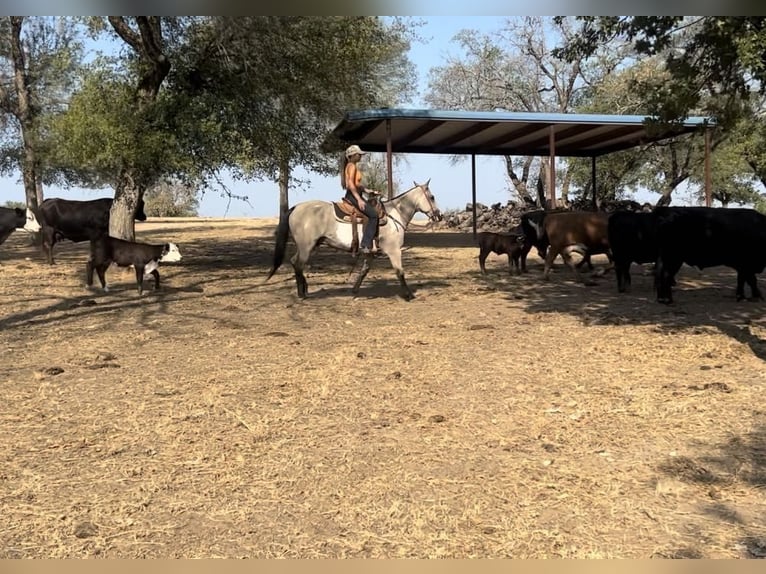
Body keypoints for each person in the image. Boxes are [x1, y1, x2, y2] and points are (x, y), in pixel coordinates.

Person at [341, 144, 380, 254]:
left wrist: (368, 191)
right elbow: (350, 185)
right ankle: (366, 244)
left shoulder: (351, 165)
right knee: (373, 215)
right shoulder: (351, 166)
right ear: (352, 155)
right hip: (353, 195)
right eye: (359, 154)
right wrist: (359, 199)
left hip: (355, 194)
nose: (360, 156)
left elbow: (357, 184)